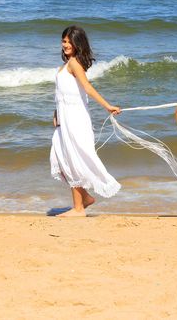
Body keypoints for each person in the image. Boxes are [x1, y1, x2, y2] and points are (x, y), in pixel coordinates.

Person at [50, 25, 122, 217]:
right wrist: (56, 114)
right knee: (62, 158)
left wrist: (107, 106)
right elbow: (61, 95)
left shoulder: (74, 64)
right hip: (64, 119)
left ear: (77, 43)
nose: (65, 44)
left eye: (68, 41)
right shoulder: (64, 66)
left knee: (73, 159)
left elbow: (87, 88)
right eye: (63, 41)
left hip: (76, 118)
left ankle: (78, 208)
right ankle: (86, 199)